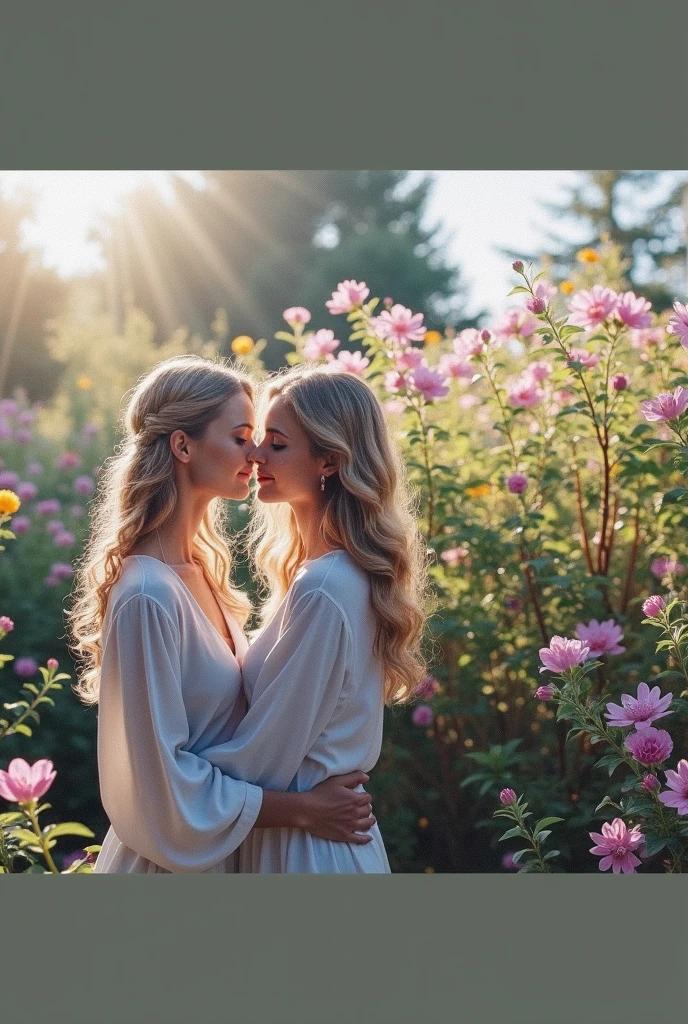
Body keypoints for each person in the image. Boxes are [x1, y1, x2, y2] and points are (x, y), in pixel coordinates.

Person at [69, 355, 375, 873]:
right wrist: (298, 809)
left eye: (267, 441)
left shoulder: (203, 573)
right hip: (167, 868)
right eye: (240, 437)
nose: (255, 455)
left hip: (227, 855)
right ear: (183, 445)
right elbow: (155, 784)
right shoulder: (147, 595)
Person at [201, 365, 428, 872]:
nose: (255, 454)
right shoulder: (331, 576)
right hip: (305, 833)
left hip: (307, 850)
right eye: (258, 438)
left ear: (329, 459)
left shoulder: (326, 587)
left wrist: (166, 780)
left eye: (277, 444)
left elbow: (263, 754)